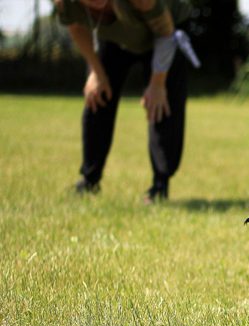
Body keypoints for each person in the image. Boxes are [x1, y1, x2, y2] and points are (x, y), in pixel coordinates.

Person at [55, 0, 199, 203]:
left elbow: (165, 32)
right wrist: (96, 71)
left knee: (161, 105)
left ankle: (160, 184)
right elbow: (76, 27)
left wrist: (157, 84)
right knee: (97, 96)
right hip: (115, 39)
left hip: (164, 34)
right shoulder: (66, 4)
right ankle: (89, 179)